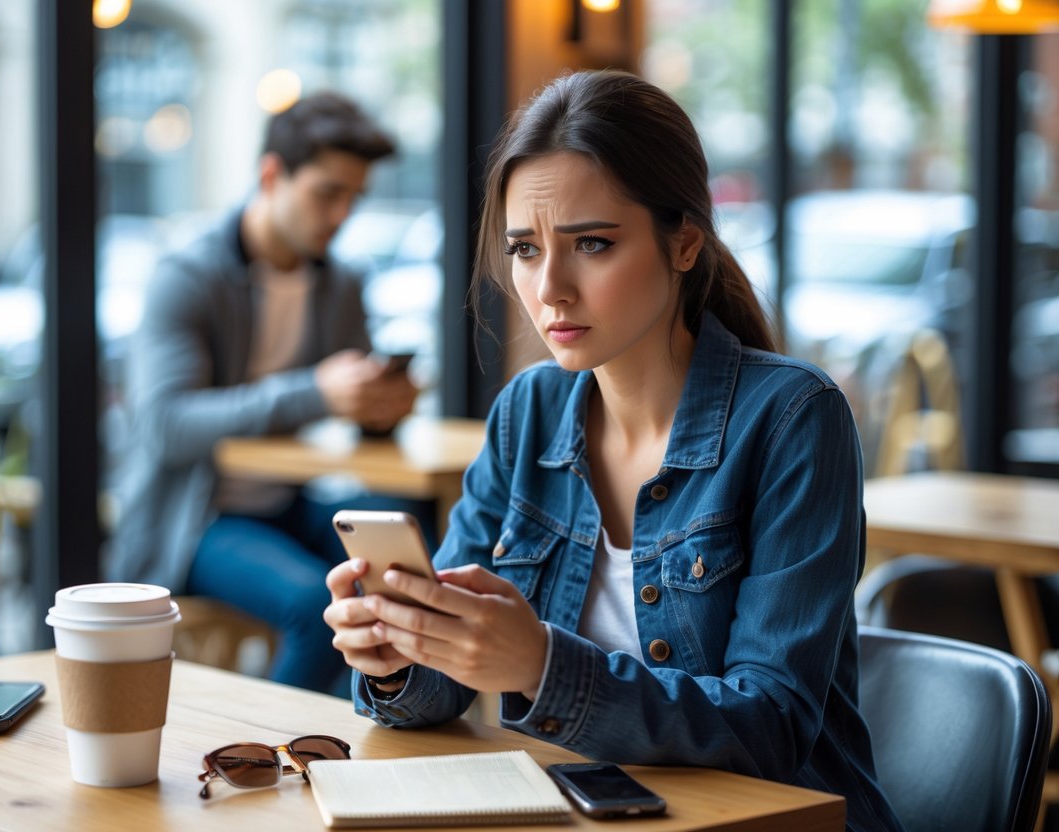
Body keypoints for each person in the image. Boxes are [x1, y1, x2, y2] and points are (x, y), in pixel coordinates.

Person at [323, 70, 903, 831]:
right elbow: (446, 695)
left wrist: (539, 666)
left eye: (591, 244)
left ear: (684, 242)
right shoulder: (527, 412)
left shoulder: (794, 416)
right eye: (524, 250)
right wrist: (403, 655)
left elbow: (771, 728)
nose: (550, 288)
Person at [107, 91, 422, 694]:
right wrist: (317, 393)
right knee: (315, 605)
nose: (341, 215)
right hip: (193, 519)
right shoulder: (187, 276)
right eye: (328, 193)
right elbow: (165, 427)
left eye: (354, 198)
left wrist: (379, 404)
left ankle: (370, 734)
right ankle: (283, 756)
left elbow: (346, 408)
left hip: (285, 502)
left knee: (409, 570)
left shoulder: (341, 284)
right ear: (272, 174)